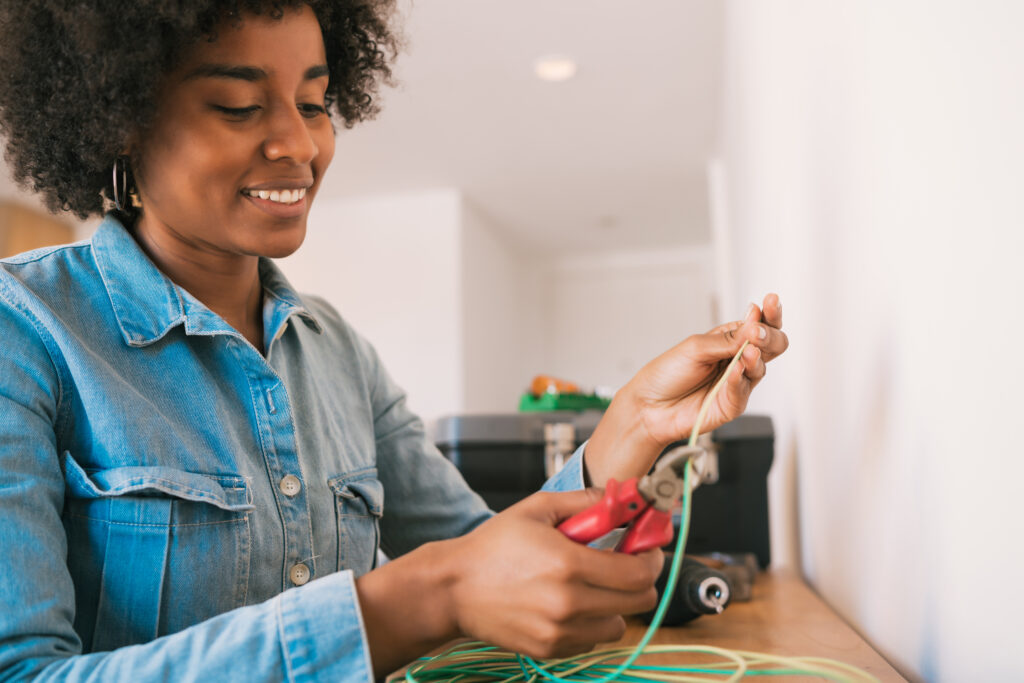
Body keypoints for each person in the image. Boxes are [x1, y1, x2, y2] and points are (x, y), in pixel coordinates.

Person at [0, 2, 789, 680]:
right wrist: (422, 597)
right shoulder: (26, 329)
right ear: (120, 120)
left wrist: (631, 426)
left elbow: (488, 558)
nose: (299, 146)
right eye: (240, 107)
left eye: (314, 103)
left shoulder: (335, 349)